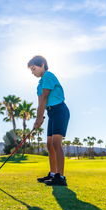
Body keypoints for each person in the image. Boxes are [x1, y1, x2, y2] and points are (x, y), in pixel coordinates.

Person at [28, 55, 70, 186]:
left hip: (60, 110)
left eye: (34, 69)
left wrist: (41, 118)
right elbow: (40, 102)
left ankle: (61, 177)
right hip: (51, 113)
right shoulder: (39, 84)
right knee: (50, 144)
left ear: (42, 65)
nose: (32, 72)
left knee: (56, 143)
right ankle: (53, 174)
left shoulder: (48, 76)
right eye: (31, 70)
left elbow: (45, 96)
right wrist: (37, 120)